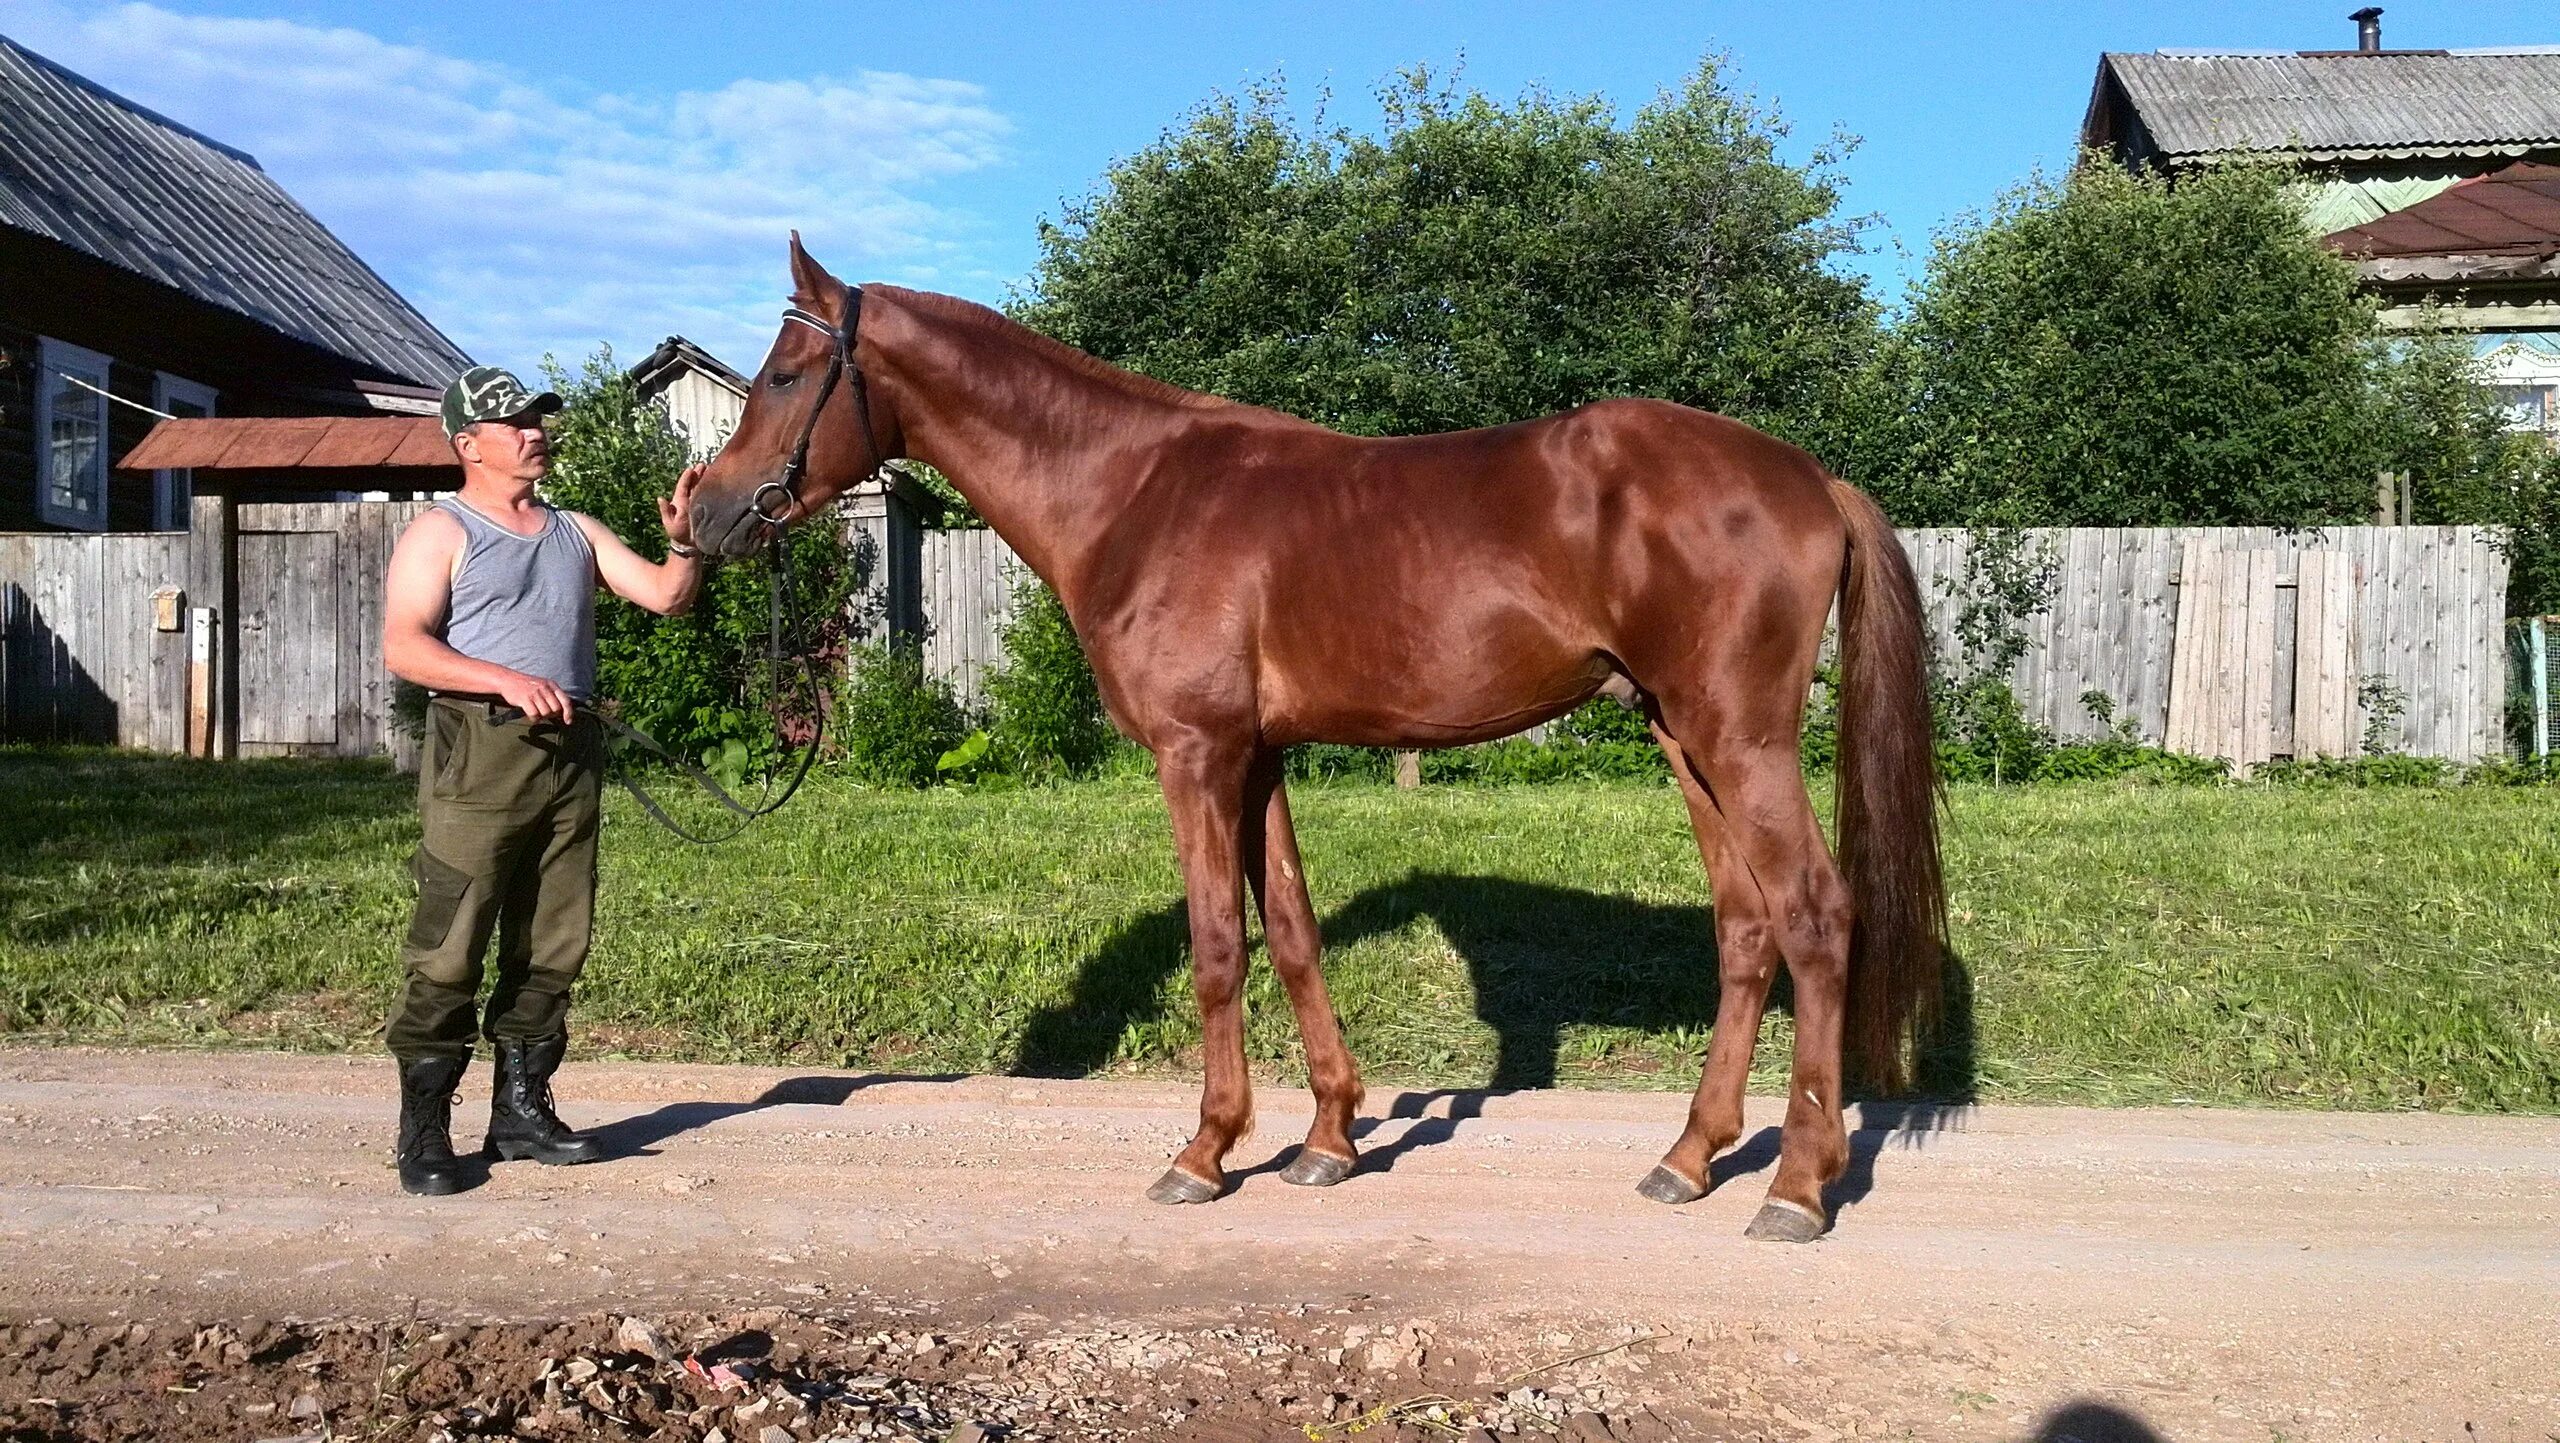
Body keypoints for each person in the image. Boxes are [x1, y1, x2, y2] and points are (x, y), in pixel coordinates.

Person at [379, 365, 706, 1195]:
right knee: (451, 944)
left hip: (570, 755)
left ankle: (520, 1112)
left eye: (537, 419)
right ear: (468, 444)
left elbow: (666, 596)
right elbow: (405, 647)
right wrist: (501, 677)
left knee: (554, 940)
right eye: (513, 422)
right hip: (480, 755)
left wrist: (684, 540)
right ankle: (424, 1131)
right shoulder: (440, 531)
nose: (534, 432)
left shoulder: (574, 528)